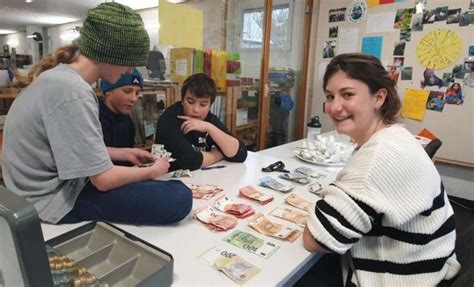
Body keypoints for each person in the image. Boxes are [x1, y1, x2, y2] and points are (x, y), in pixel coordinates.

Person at [2, 2, 192, 225]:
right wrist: (153, 171)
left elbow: (66, 146)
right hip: (51, 201)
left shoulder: (58, 79)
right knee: (178, 197)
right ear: (111, 54)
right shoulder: (73, 91)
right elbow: (103, 180)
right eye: (129, 63)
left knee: (160, 186)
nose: (130, 71)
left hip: (33, 192)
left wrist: (122, 153)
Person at [299, 53, 459, 286]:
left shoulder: (379, 156)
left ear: (379, 97)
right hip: (428, 264)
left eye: (347, 95)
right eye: (329, 96)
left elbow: (315, 240)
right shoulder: (396, 136)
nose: (334, 107)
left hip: (401, 278)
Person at [155, 73, 247, 171]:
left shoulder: (209, 119)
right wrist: (220, 153)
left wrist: (209, 128)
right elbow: (190, 161)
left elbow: (241, 153)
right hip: (167, 180)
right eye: (190, 102)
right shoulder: (169, 119)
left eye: (203, 104)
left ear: (210, 105)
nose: (196, 110)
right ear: (182, 100)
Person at [99, 68, 142, 166]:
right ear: (108, 91)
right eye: (127, 91)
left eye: (137, 93)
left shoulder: (128, 122)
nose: (134, 99)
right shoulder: (92, 118)